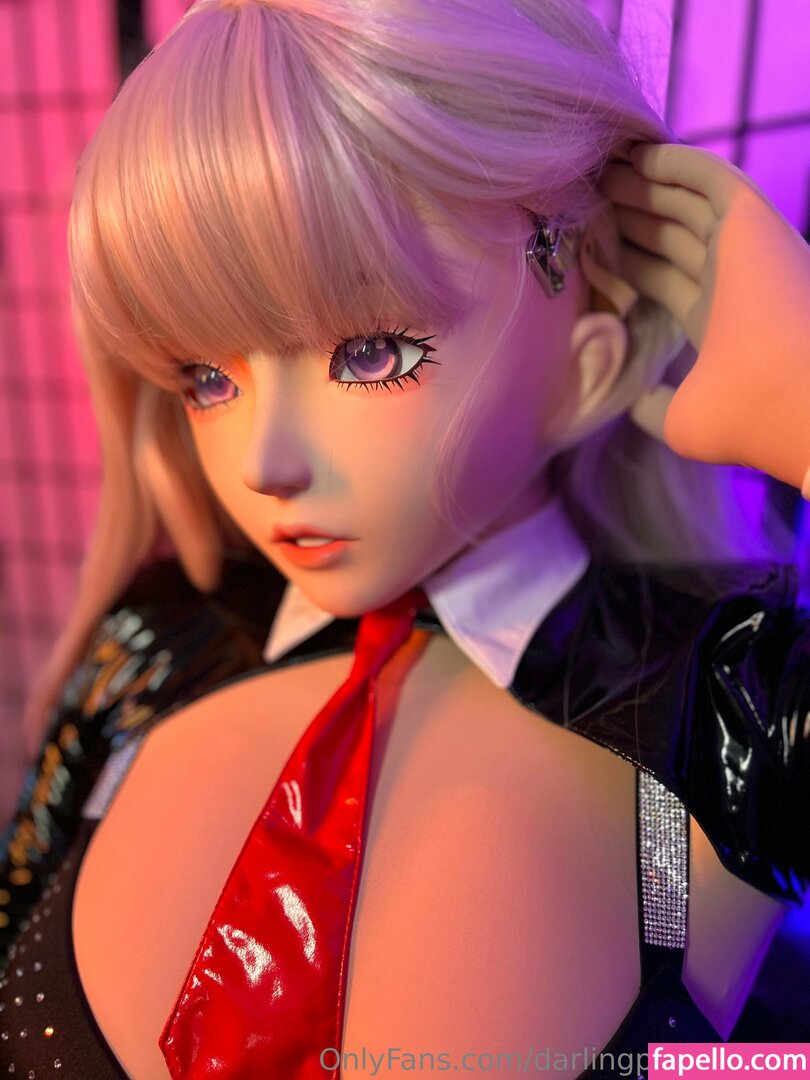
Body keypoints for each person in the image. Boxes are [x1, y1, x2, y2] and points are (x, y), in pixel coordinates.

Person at [1, 0, 808, 1076]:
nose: (264, 461)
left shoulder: (726, 693)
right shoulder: (153, 646)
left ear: (591, 364)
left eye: (372, 355)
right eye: (207, 377)